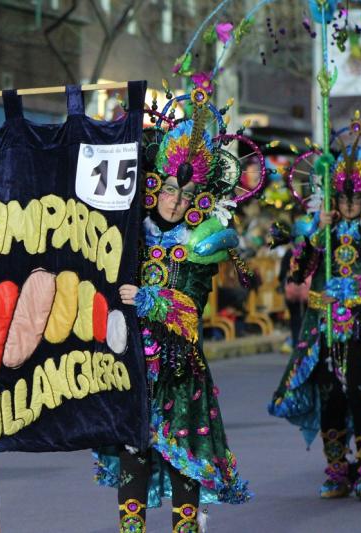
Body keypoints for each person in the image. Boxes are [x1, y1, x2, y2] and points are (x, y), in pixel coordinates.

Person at [94, 88, 254, 532]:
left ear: (198, 198)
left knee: (182, 452)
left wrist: (147, 297)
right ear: (154, 185)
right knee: (132, 449)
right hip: (129, 361)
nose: (175, 200)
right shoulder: (130, 231)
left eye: (186, 194)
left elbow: (190, 308)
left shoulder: (202, 241)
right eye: (169, 189)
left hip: (179, 367)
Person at [270, 116, 361, 501]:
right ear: (334, 200)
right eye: (344, 200)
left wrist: (357, 289)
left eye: (356, 200)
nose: (350, 207)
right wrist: (315, 234)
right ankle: (337, 470)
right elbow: (297, 271)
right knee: (331, 399)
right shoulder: (321, 231)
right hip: (324, 330)